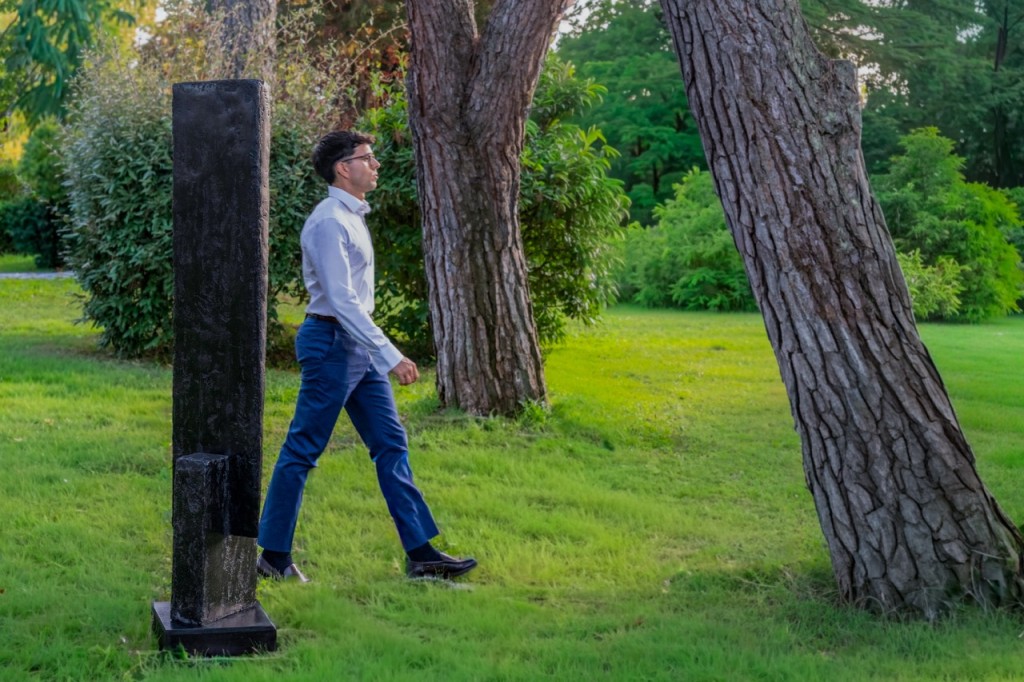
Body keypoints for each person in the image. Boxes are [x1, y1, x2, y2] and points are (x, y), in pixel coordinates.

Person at [256, 130, 477, 583]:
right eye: (368, 158)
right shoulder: (328, 222)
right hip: (333, 343)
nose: (375, 165)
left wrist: (375, 351)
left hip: (355, 344)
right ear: (344, 167)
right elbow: (341, 299)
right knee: (303, 448)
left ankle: (421, 553)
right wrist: (391, 354)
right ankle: (273, 557)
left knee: (390, 444)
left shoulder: (353, 216)